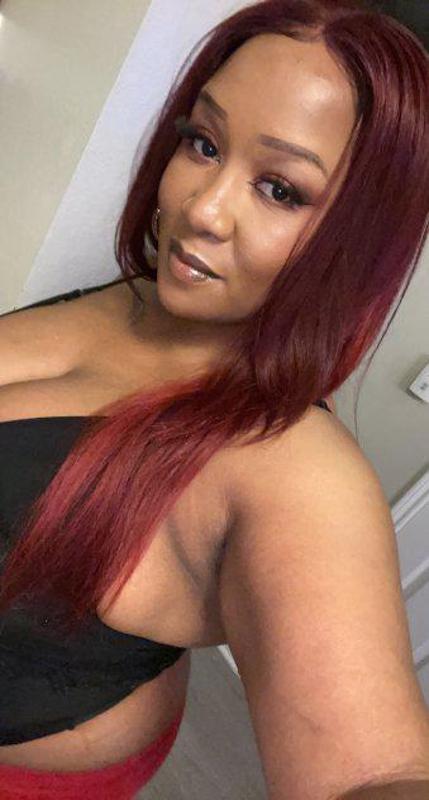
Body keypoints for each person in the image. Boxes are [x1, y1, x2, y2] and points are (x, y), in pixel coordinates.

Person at [0, 0, 428, 797]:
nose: (201, 209)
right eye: (202, 142)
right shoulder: (145, 295)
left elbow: (378, 773)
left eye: (279, 189)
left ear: (356, 239)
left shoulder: (294, 470)